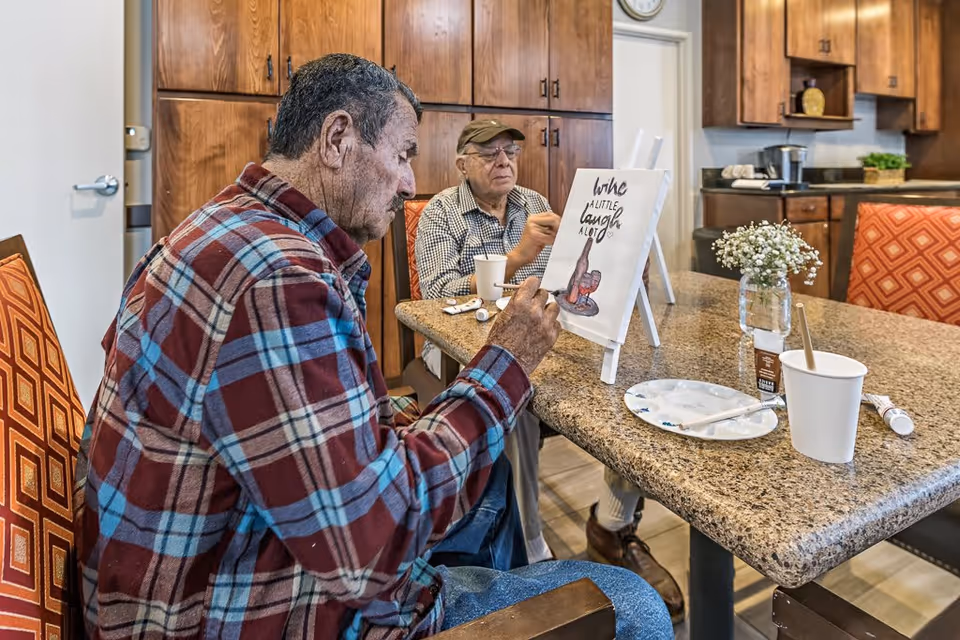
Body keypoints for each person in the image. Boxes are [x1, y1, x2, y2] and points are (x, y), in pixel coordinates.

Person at [73, 54, 672, 639]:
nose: (410, 181)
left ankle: (514, 601)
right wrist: (507, 361)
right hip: (242, 604)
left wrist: (387, 422)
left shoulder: (224, 227)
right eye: (404, 154)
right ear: (337, 139)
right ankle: (519, 612)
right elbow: (374, 540)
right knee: (635, 606)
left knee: (491, 476)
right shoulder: (279, 280)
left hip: (208, 559)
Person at [415, 119, 685, 623]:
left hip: (538, 332)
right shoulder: (439, 212)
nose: (504, 162)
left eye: (510, 152)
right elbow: (434, 293)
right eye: (489, 153)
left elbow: (568, 274)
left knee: (620, 380)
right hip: (455, 349)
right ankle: (532, 549)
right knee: (514, 402)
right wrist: (520, 255)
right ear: (462, 163)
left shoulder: (533, 203)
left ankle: (613, 520)